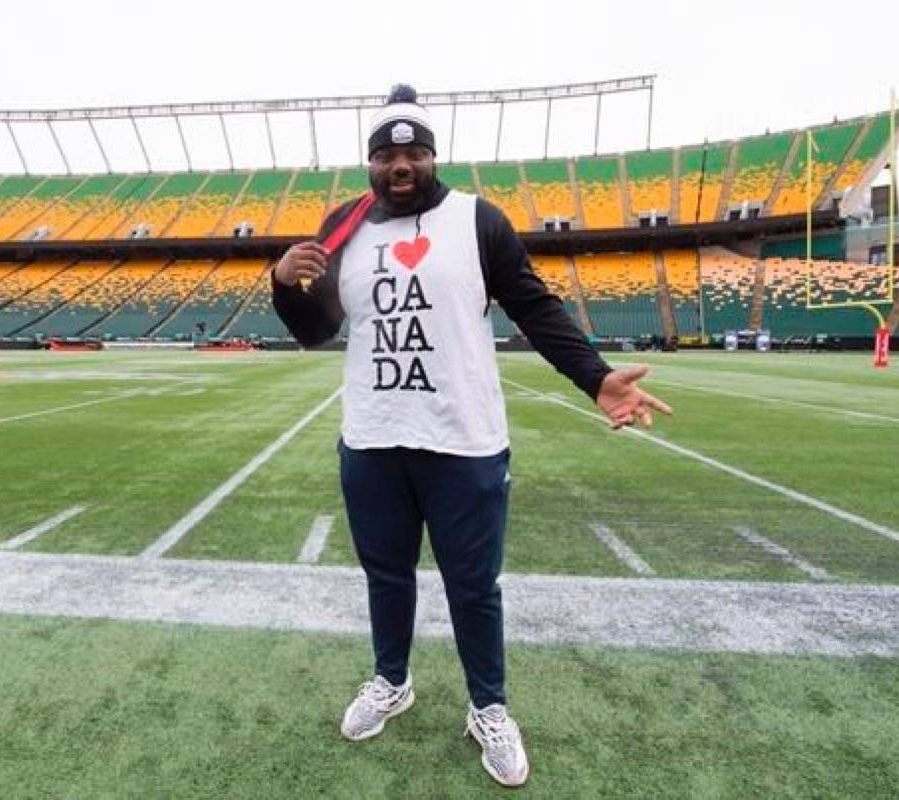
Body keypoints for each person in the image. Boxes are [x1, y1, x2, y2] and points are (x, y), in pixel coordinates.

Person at [271, 84, 671, 788]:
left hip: (464, 441)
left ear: (433, 157)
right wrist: (280, 282)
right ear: (370, 163)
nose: (401, 165)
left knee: (473, 585)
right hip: (372, 437)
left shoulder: (477, 220)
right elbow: (314, 329)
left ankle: (488, 706)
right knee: (386, 575)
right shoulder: (343, 227)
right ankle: (391, 681)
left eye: (415, 152)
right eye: (387, 154)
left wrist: (596, 378)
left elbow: (534, 306)